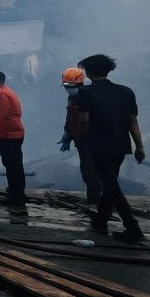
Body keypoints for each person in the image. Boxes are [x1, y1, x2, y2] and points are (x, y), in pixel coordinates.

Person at [75, 54, 146, 243]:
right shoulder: (126, 92)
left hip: (98, 145)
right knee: (110, 182)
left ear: (88, 72)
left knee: (111, 185)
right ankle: (100, 220)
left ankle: (133, 227)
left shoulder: (86, 93)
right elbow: (133, 122)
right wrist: (139, 146)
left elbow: (84, 120)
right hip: (121, 146)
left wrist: (80, 137)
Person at [58, 67, 102, 204]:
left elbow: (85, 120)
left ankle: (96, 201)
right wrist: (67, 134)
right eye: (65, 85)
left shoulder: (88, 96)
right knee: (87, 170)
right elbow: (70, 117)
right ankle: (95, 199)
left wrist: (77, 135)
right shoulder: (72, 97)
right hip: (81, 140)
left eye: (70, 85)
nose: (67, 88)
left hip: (90, 140)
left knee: (91, 171)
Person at [0, 70, 27, 207]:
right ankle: (16, 190)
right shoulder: (8, 91)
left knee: (11, 164)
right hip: (14, 132)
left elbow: (0, 117)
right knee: (15, 163)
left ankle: (16, 195)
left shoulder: (1, 94)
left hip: (9, 134)